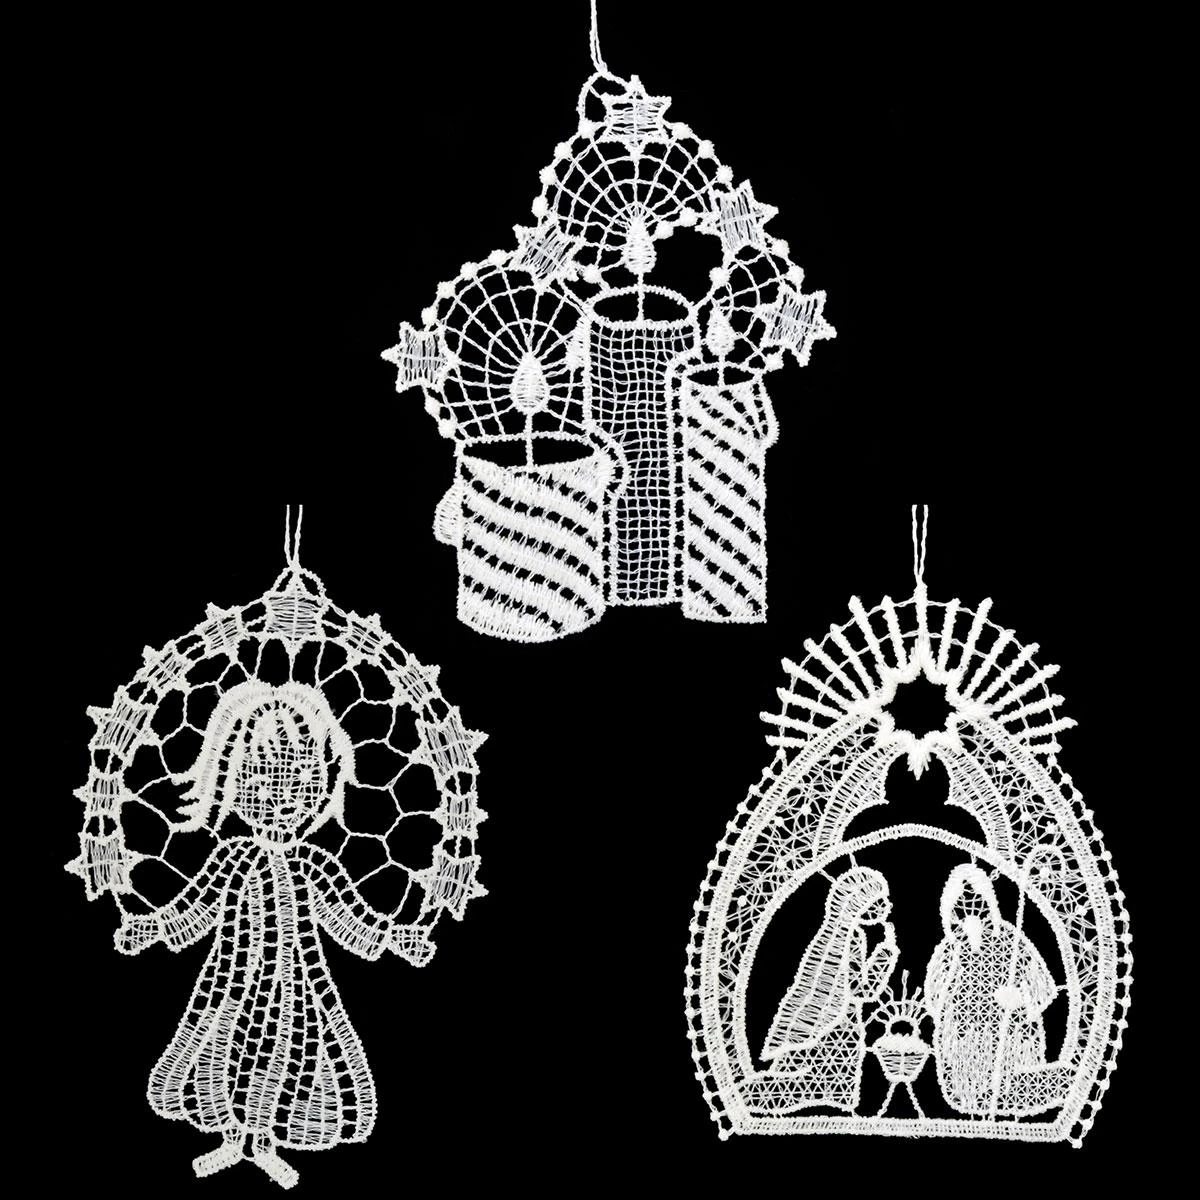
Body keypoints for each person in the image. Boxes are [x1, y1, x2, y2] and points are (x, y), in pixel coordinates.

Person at [115, 681, 431, 1188]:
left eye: (302, 778)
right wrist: (152, 928)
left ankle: (262, 1142)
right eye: (261, 779)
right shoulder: (233, 858)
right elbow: (195, 909)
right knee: (224, 1053)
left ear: (324, 780)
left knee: (289, 1059)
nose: (283, 796)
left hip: (297, 987)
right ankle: (231, 1139)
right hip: (233, 983)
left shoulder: (313, 866)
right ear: (229, 781)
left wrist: (395, 937)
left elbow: (348, 918)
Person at [924, 864, 1071, 1117]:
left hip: (1013, 1042)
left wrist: (1020, 998)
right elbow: (934, 998)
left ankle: (1026, 1090)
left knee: (1015, 1085)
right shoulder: (949, 950)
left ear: (989, 906)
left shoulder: (1011, 942)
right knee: (972, 1096)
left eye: (978, 907)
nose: (971, 916)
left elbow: (1043, 987)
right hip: (965, 1050)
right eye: (961, 909)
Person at [760, 867, 898, 1112]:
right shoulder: (851, 938)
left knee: (807, 1081)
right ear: (858, 905)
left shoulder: (831, 935)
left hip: (821, 1023)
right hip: (835, 1026)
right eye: (878, 902)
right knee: (826, 1088)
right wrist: (885, 955)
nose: (886, 907)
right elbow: (862, 990)